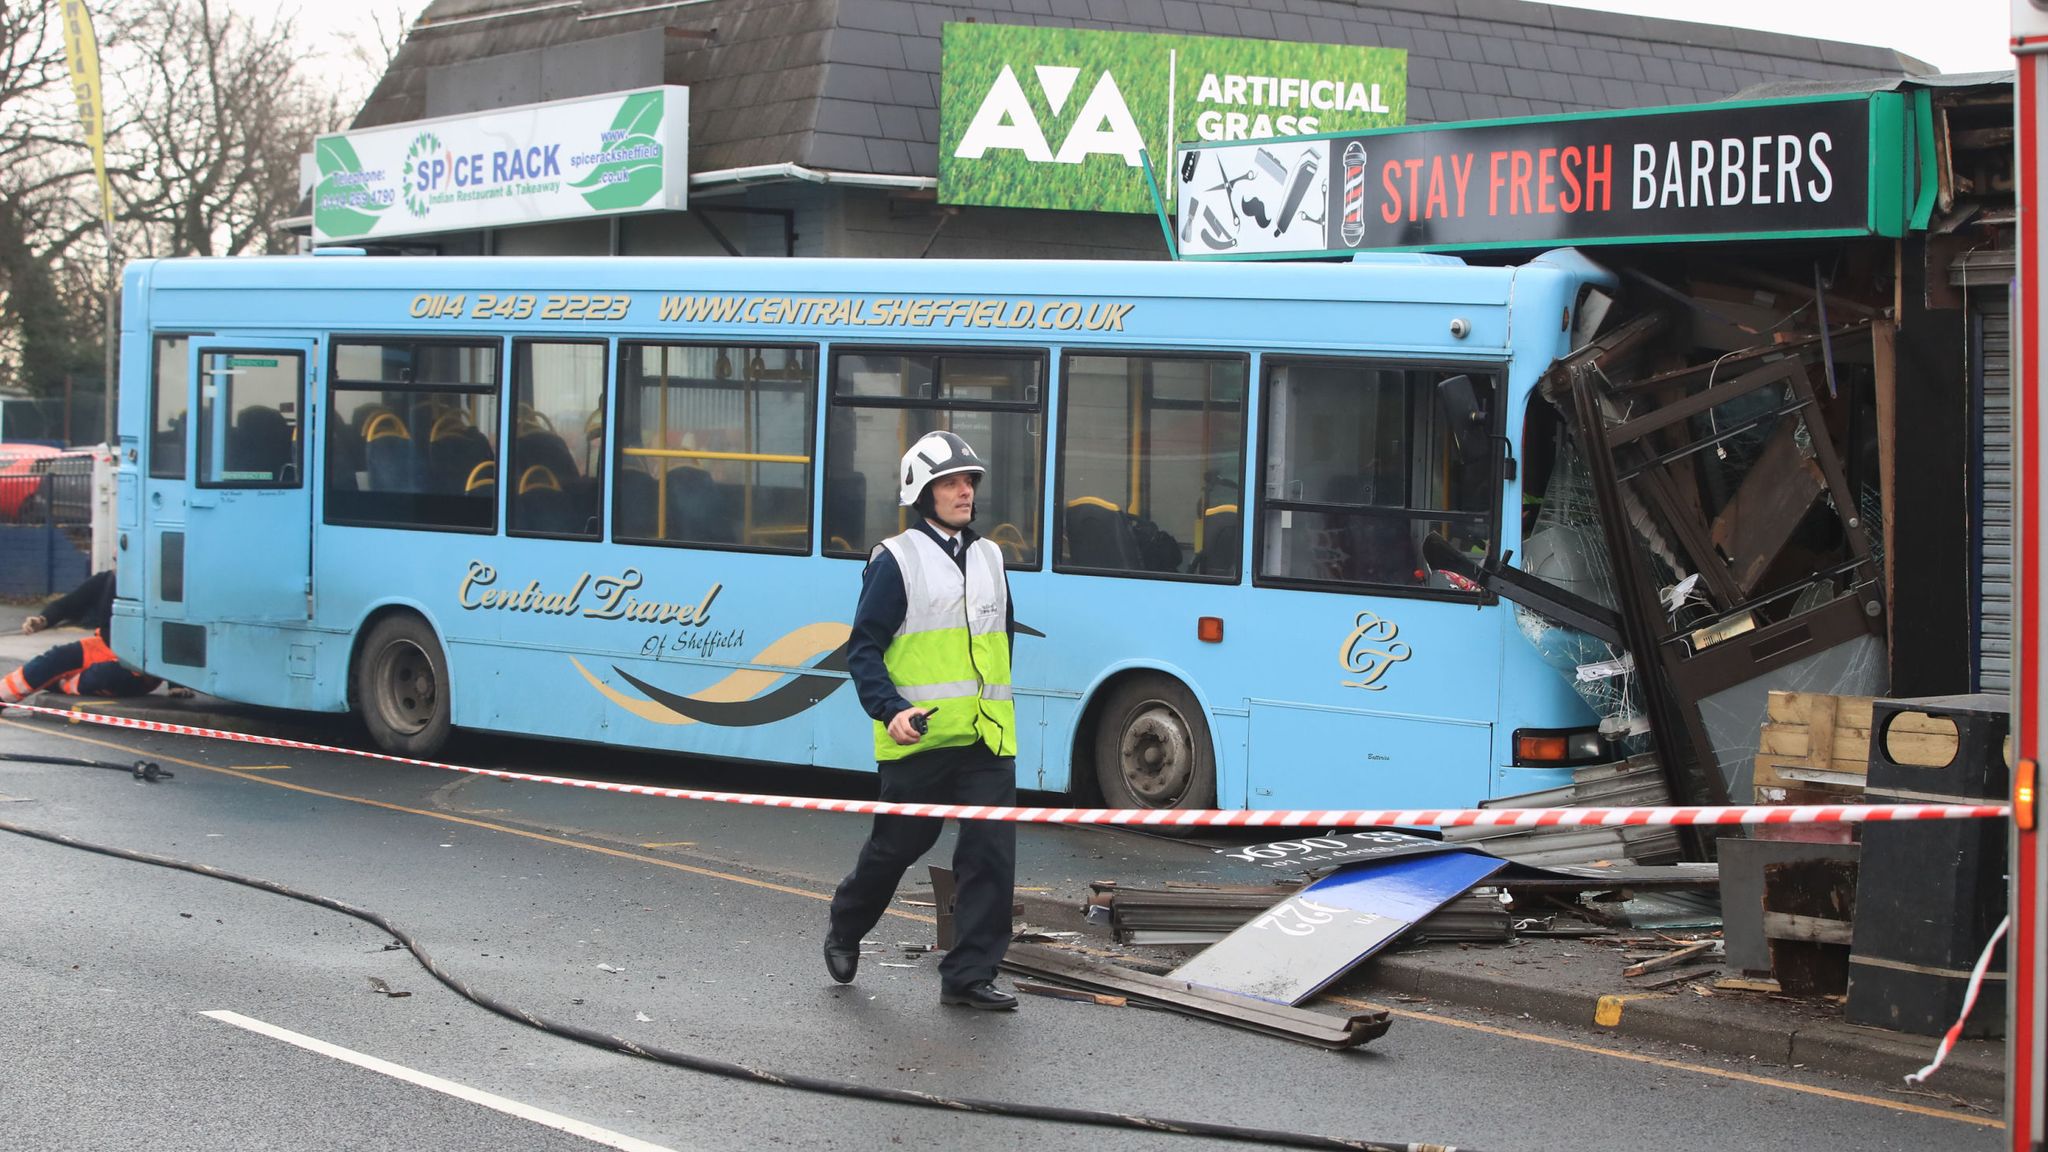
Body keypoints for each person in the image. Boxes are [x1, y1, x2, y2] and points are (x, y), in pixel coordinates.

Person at [825, 430, 1021, 1011]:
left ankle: (968, 975)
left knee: (989, 855)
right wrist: (891, 711)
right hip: (921, 736)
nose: (965, 492)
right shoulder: (895, 560)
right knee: (896, 848)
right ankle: (846, 924)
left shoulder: (990, 557)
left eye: (970, 482)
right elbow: (862, 649)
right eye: (952, 483)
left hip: (986, 738)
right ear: (922, 492)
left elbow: (999, 640)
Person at [1, 570, 191, 704]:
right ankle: (3, 696)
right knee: (54, 658)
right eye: (116, 560)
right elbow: (68, 604)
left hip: (139, 664)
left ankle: (59, 683)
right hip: (103, 644)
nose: (119, 566)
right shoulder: (107, 579)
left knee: (105, 675)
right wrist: (43, 619)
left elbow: (174, 632)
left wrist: (175, 683)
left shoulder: (158, 587)